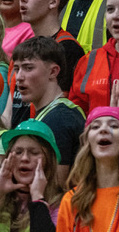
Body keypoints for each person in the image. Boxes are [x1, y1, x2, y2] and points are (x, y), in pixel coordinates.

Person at [12, 37, 87, 179]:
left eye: (28, 68)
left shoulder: (60, 119)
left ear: (53, 72)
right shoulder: (57, 113)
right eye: (17, 69)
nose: (19, 77)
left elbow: (56, 186)